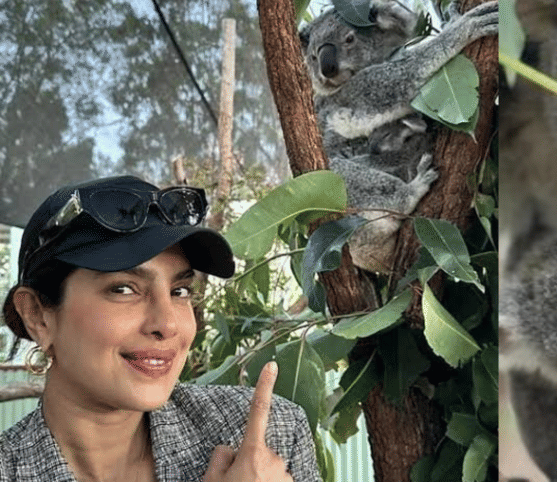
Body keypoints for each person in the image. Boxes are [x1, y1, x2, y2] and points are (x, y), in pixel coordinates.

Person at [0, 176, 320, 481]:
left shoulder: (262, 439)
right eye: (124, 289)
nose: (167, 325)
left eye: (179, 291)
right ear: (38, 317)